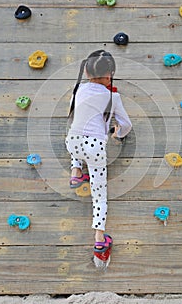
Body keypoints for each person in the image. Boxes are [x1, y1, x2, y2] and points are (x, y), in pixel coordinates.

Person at [65, 50, 132, 267]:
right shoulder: (113, 97)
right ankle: (100, 240)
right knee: (99, 195)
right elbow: (126, 125)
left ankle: (75, 171)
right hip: (94, 148)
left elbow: (73, 112)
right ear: (111, 74)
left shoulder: (79, 89)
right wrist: (117, 133)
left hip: (73, 143)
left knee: (74, 135)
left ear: (85, 71)